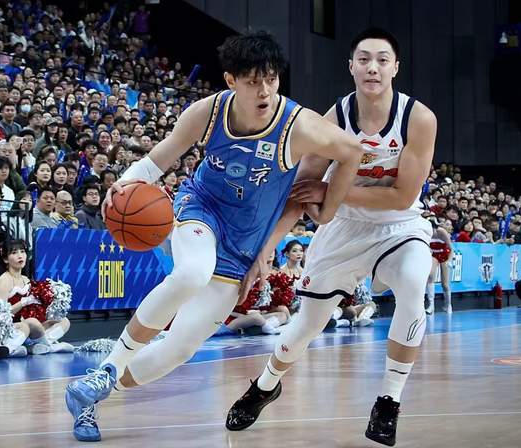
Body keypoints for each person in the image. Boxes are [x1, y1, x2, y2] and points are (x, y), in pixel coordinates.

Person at [64, 30, 362, 442]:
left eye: (271, 79)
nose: (265, 90)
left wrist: (326, 207)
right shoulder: (207, 112)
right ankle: (111, 367)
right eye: (253, 81)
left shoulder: (300, 125)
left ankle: (91, 392)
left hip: (244, 247)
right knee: (192, 273)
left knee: (178, 350)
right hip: (201, 209)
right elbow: (160, 158)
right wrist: (125, 181)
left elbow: (353, 152)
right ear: (231, 80)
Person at [225, 28, 437, 448]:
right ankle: (266, 385)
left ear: (395, 68)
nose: (373, 67)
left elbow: (402, 195)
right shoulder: (333, 119)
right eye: (364, 59)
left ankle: (389, 400)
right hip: (343, 227)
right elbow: (303, 190)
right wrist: (268, 246)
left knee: (414, 284)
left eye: (382, 60)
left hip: (400, 223)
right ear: (351, 66)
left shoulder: (418, 118)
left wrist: (332, 191)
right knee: (307, 325)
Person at [0, 239, 73, 355]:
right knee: (32, 322)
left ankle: (40, 344)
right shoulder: (4, 280)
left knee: (63, 321)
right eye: (14, 253)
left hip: (31, 325)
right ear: (6, 259)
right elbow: (0, 315)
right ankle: (49, 347)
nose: (20, 256)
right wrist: (23, 302)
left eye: (22, 251)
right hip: (14, 329)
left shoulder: (26, 279)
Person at [426, 220, 453, 314]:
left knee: (445, 284)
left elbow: (451, 248)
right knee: (430, 277)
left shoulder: (442, 232)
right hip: (434, 255)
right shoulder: (425, 233)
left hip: (445, 255)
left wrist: (449, 261)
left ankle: (448, 305)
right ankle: (431, 305)